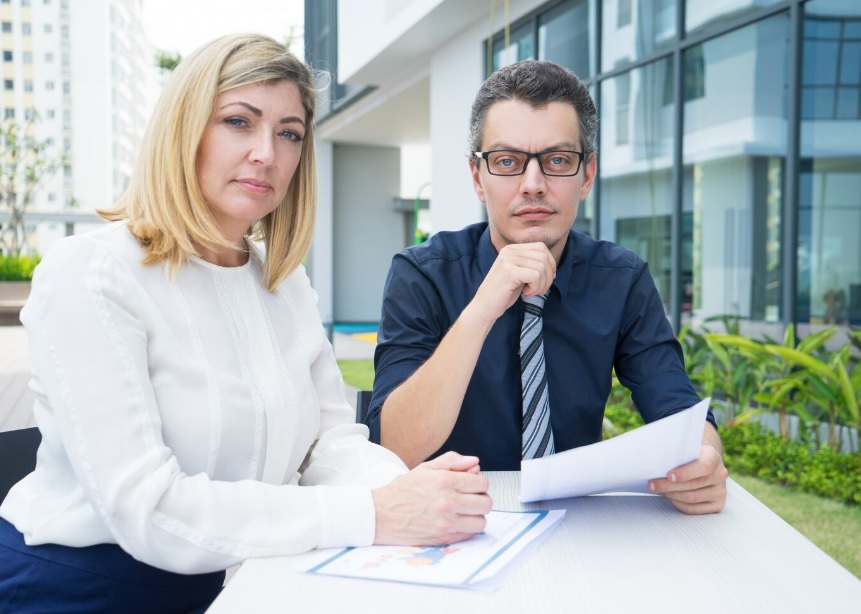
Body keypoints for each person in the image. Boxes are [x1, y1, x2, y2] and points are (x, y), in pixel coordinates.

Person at [0, 34, 490, 613]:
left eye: (289, 133)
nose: (268, 153)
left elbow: (330, 446)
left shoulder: (284, 283)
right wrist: (377, 513)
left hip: (251, 574)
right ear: (185, 130)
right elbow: (145, 508)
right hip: (88, 589)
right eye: (239, 121)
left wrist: (411, 492)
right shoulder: (91, 272)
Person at [366, 60, 727, 515]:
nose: (533, 185)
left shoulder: (621, 278)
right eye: (507, 162)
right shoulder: (421, 274)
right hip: (454, 524)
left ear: (587, 176)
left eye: (557, 160)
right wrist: (481, 309)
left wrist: (704, 459)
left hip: (577, 523)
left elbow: (676, 405)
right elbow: (394, 448)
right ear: (478, 178)